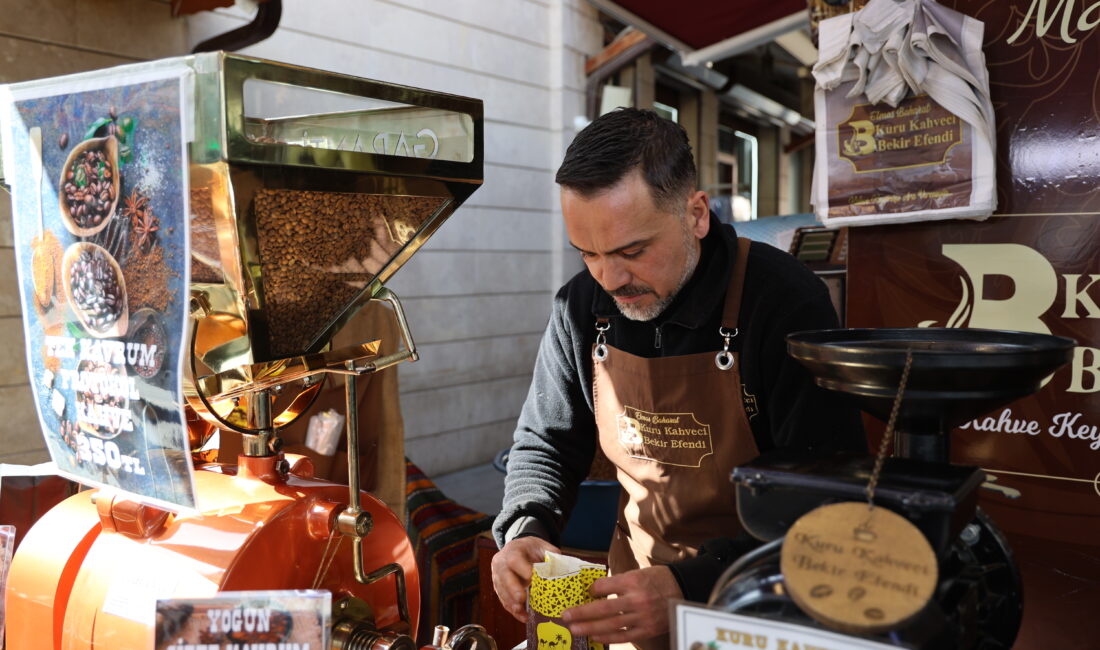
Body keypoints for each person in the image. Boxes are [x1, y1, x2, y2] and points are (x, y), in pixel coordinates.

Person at [490, 108, 865, 650]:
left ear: (695, 214)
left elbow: (827, 504)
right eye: (588, 254)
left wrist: (692, 586)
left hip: (755, 612)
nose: (610, 279)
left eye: (632, 252)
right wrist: (524, 528)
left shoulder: (783, 301)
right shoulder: (581, 309)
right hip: (627, 610)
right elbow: (546, 443)